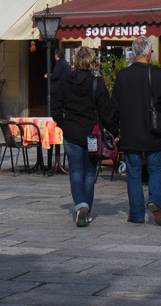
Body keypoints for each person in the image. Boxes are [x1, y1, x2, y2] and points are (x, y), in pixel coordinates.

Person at [108, 37, 161, 226]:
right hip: (154, 131)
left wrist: (115, 129)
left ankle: (136, 214)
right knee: (155, 169)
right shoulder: (160, 75)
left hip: (131, 131)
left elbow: (115, 106)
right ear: (149, 52)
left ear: (133, 53)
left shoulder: (122, 76)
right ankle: (154, 201)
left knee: (134, 173)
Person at [51, 47, 116, 227]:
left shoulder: (65, 82)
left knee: (76, 171)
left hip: (71, 134)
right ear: (90, 63)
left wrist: (63, 124)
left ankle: (80, 205)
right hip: (92, 134)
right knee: (89, 173)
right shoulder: (97, 84)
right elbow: (107, 112)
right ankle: (86, 209)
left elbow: (55, 108)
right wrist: (114, 132)